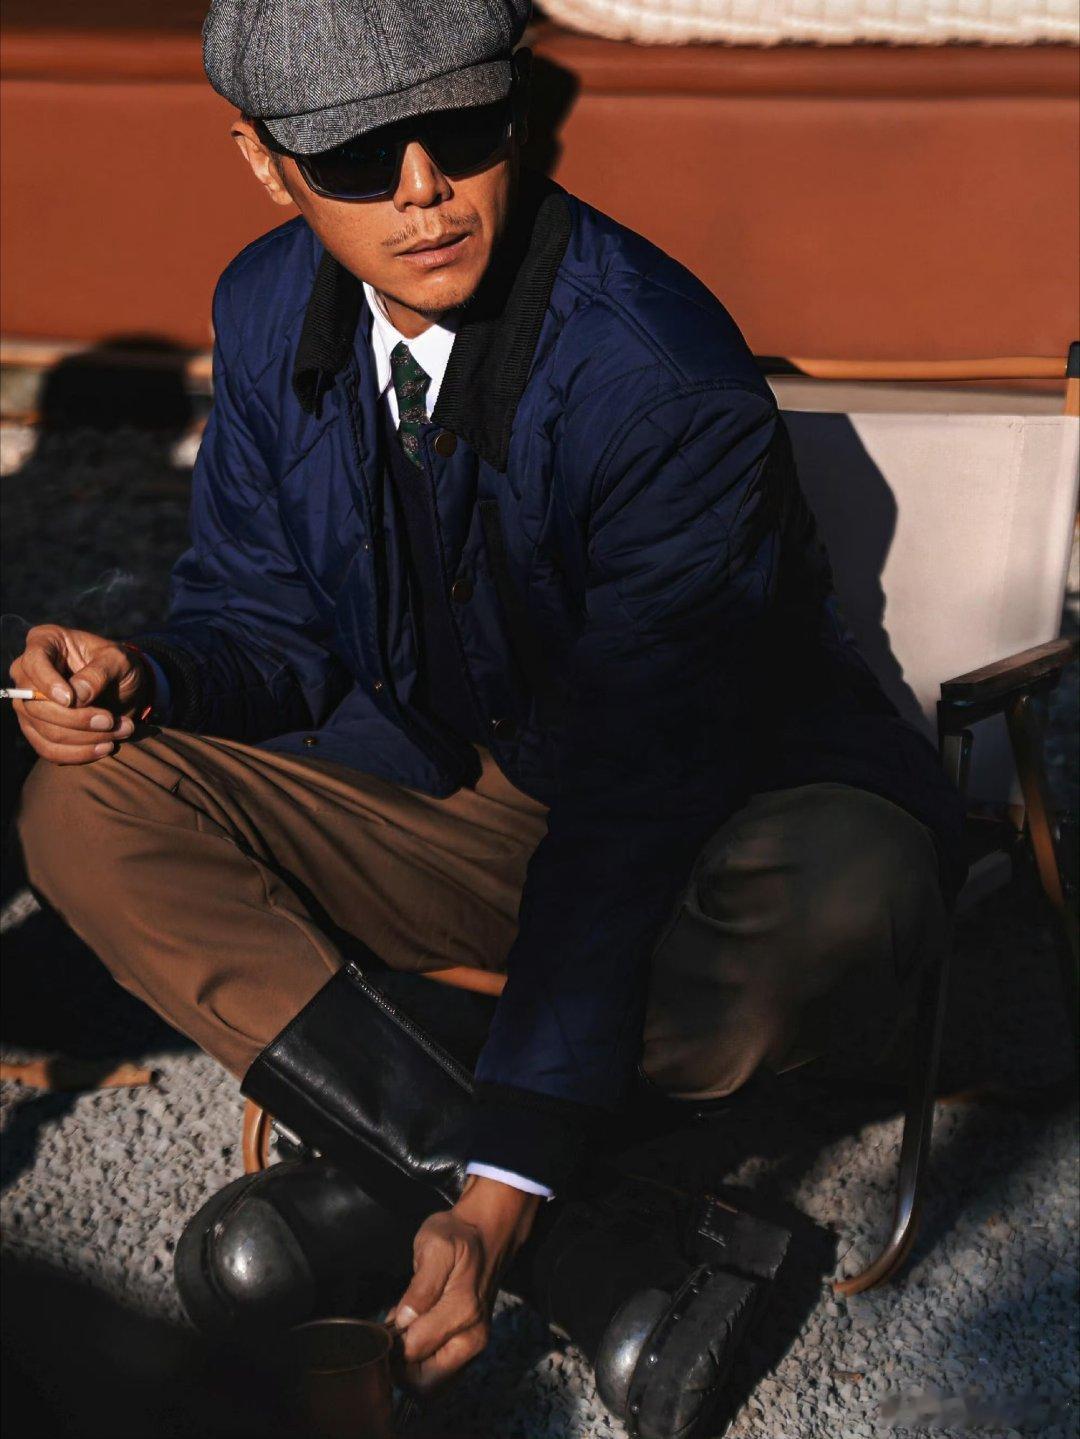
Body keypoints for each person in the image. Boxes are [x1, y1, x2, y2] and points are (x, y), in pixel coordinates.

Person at [12, 0, 965, 1428]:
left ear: (511, 110)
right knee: (84, 806)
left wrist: (501, 1190)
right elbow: (263, 625)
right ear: (265, 163)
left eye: (459, 131)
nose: (422, 191)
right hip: (465, 799)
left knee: (849, 900)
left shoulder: (654, 372)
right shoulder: (266, 308)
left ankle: (404, 1168)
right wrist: (153, 677)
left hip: (726, 808)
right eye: (356, 155)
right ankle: (590, 1246)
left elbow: (636, 792)